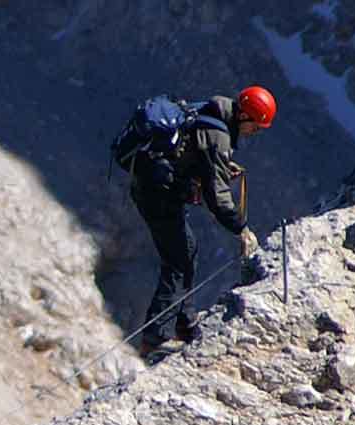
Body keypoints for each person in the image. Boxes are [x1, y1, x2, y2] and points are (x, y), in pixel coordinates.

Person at [118, 85, 276, 340]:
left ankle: (185, 323)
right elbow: (217, 194)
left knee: (186, 252)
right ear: (244, 116)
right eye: (256, 127)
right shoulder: (218, 135)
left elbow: (196, 156)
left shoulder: (210, 111)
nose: (254, 133)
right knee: (178, 262)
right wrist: (241, 228)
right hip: (159, 196)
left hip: (154, 190)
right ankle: (156, 337)